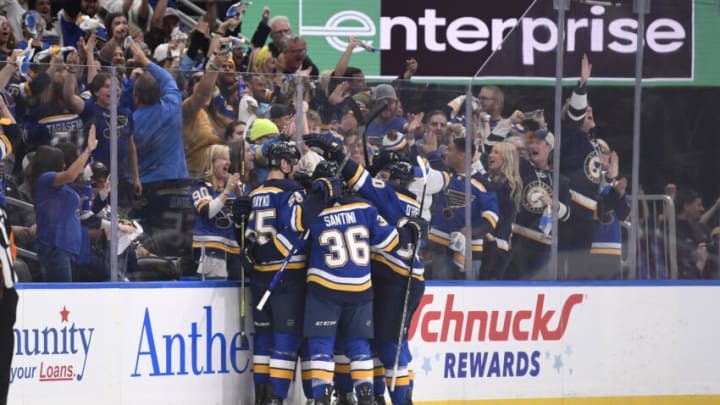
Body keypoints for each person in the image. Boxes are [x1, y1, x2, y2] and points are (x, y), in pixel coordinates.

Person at [298, 161, 419, 405]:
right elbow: (390, 242)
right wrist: (411, 232)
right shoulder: (365, 207)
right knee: (359, 344)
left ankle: (321, 397)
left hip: (324, 288)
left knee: (321, 345)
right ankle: (365, 394)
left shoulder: (314, 214)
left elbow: (298, 240)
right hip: (360, 288)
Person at [236, 141, 306, 404]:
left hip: (260, 277)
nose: (297, 169)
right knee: (285, 341)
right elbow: (295, 231)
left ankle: (261, 400)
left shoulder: (255, 193)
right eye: (294, 164)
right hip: (287, 277)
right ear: (285, 164)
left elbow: (246, 237)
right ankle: (276, 398)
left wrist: (253, 254)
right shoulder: (292, 191)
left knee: (263, 342)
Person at [31, 125, 98, 281]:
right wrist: (88, 150)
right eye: (61, 162)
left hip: (68, 248)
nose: (64, 165)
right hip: (55, 247)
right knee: (60, 299)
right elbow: (70, 175)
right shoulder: (45, 179)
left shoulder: (59, 187)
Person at [426, 137, 498, 280]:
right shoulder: (444, 176)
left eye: (450, 149)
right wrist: (431, 153)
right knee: (443, 295)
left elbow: (492, 218)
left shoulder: (483, 184)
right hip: (439, 247)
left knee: (470, 299)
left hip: (470, 252)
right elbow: (433, 166)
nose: (446, 153)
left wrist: (472, 231)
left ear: (462, 155)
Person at [505, 127, 571, 280]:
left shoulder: (560, 180)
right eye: (531, 142)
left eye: (538, 142)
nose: (532, 146)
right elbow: (498, 148)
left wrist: (553, 204)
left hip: (544, 247)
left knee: (540, 290)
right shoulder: (523, 169)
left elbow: (567, 214)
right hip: (519, 242)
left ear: (549, 146)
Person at [190, 145, 243, 280]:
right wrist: (227, 191)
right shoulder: (201, 187)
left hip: (234, 250)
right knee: (215, 289)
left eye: (229, 160)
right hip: (211, 249)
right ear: (212, 162)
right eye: (224, 159)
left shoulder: (234, 187)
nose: (228, 163)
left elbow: (246, 217)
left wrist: (240, 195)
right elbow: (208, 212)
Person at [482, 142, 522, 280]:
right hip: (484, 242)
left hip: (496, 246)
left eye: (496, 152)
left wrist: (476, 169)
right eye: (491, 151)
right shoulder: (489, 180)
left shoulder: (509, 186)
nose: (491, 155)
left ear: (507, 158)